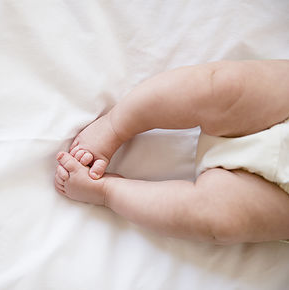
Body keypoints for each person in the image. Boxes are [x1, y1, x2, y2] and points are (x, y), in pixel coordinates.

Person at [54, 60, 289, 245]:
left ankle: (108, 191)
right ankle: (116, 124)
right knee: (221, 87)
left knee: (219, 219)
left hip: (278, 195)